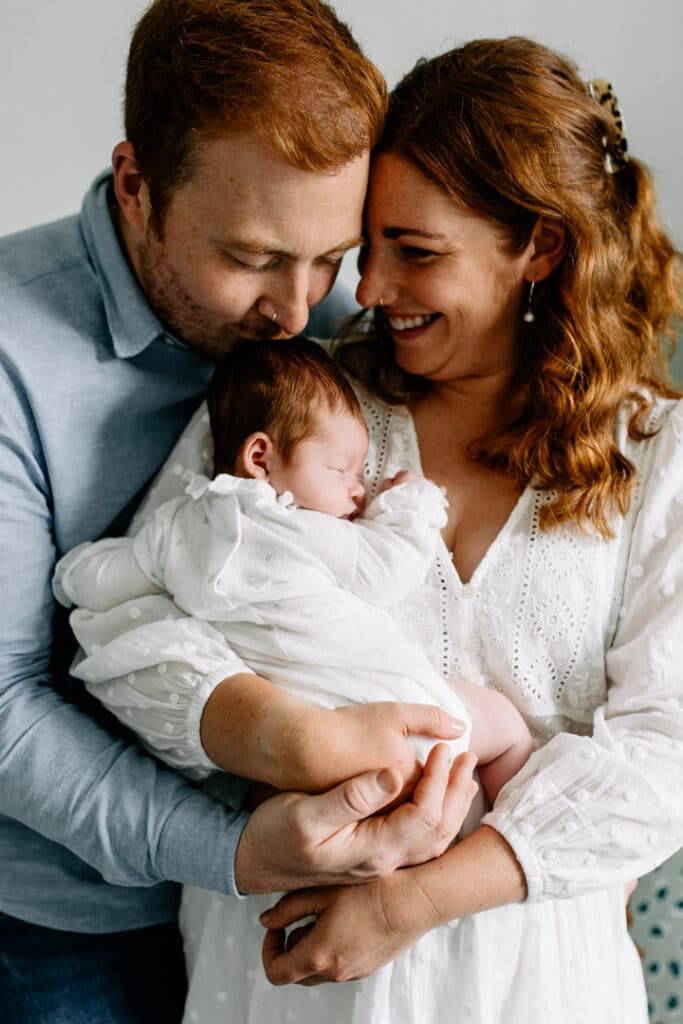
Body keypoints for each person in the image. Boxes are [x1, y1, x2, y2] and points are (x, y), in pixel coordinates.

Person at [85, 36, 683, 1024]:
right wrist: (286, 737)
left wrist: (408, 902)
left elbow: (666, 751)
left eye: (415, 252)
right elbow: (124, 622)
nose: (362, 289)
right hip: (281, 969)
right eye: (367, 246)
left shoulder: (657, 456)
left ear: (536, 246)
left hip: (526, 981)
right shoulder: (300, 403)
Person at [0, 3, 478, 1022]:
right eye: (254, 257)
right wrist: (228, 850)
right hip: (65, 938)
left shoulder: (349, 324)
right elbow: (2, 707)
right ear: (137, 186)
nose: (301, 312)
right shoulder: (9, 355)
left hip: (316, 921)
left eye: (327, 256)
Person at [53, 335, 532, 1023]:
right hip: (404, 715)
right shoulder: (306, 533)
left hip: (310, 741)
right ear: (261, 458)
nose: (355, 486)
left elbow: (108, 576)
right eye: (341, 468)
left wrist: (72, 574)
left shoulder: (176, 526)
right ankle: (499, 811)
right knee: (502, 726)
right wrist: (410, 505)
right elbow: (386, 566)